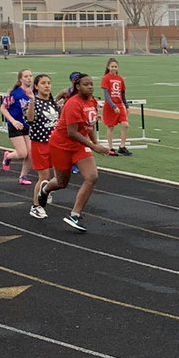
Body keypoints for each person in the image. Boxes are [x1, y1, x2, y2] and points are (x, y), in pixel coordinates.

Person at [36, 73, 116, 231]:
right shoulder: (73, 104)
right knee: (61, 183)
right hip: (61, 145)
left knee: (92, 177)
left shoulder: (92, 102)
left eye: (92, 84)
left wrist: (96, 143)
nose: (90, 87)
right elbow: (72, 132)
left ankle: (75, 215)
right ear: (77, 87)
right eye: (86, 84)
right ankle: (45, 189)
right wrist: (94, 147)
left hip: (79, 146)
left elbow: (90, 125)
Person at [25, 73, 60, 218]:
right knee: (44, 176)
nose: (47, 86)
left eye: (49, 83)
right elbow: (30, 119)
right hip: (40, 144)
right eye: (43, 83)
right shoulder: (33, 102)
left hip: (55, 144)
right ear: (36, 86)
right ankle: (35, 206)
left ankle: (46, 191)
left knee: (59, 175)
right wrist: (32, 102)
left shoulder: (53, 103)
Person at [0, 69, 34, 183]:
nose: (29, 78)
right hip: (15, 125)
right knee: (22, 153)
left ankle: (23, 176)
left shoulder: (33, 93)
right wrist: (13, 121)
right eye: (26, 76)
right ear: (21, 79)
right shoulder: (15, 94)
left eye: (30, 76)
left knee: (30, 152)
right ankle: (8, 156)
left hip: (27, 125)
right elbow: (3, 108)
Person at [100, 57, 131, 155]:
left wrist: (126, 106)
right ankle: (111, 148)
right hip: (110, 106)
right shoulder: (106, 78)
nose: (114, 68)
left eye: (115, 66)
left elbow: (122, 94)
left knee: (125, 124)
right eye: (112, 66)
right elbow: (106, 95)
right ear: (108, 67)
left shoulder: (120, 79)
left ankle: (122, 146)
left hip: (119, 105)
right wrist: (113, 106)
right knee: (110, 127)